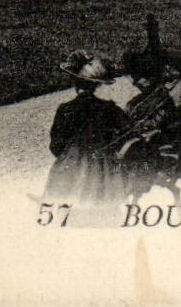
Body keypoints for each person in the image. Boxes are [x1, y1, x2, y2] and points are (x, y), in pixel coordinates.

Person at [118, 23, 181, 204]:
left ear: (176, 68)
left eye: (168, 66)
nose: (164, 69)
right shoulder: (167, 82)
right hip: (152, 137)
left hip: (167, 145)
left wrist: (164, 116)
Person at [44, 51, 128, 208]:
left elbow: (55, 146)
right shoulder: (110, 108)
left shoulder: (65, 110)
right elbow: (126, 134)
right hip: (103, 169)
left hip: (71, 168)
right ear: (97, 84)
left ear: (76, 83)